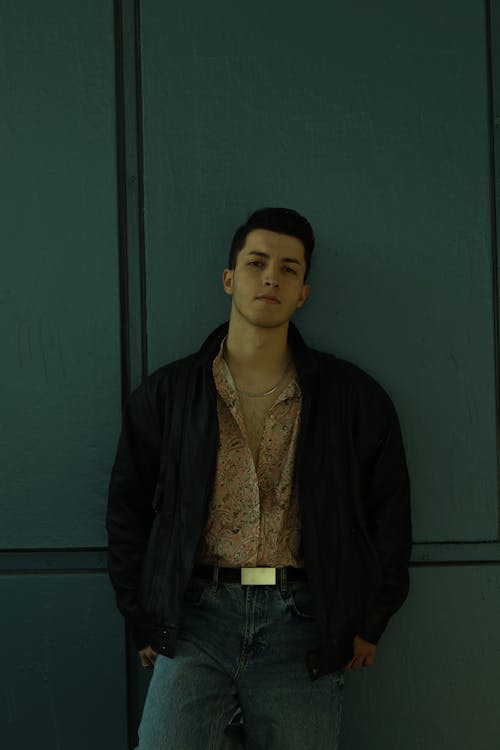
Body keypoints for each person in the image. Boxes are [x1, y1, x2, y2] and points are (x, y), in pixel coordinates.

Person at [107, 207, 412, 750]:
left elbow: (390, 512)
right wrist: (141, 614)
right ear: (230, 279)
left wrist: (372, 618)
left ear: (303, 292)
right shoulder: (169, 395)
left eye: (289, 268)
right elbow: (127, 509)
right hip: (196, 619)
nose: (271, 276)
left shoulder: (351, 399)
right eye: (257, 262)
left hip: (303, 624)